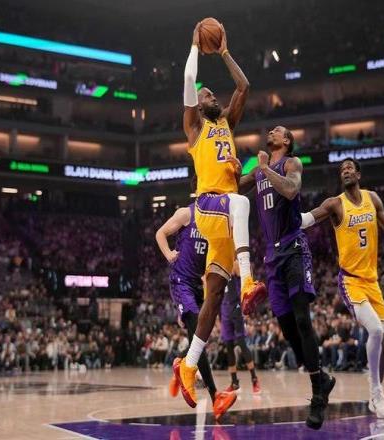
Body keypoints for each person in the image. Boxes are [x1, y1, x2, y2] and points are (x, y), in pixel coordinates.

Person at [173, 21, 267, 416]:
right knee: (240, 205)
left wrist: (225, 51)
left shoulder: (227, 124)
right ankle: (248, 282)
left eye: (212, 93)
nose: (210, 94)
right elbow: (189, 79)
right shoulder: (194, 127)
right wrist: (196, 45)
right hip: (209, 206)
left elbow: (244, 87)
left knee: (211, 299)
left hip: (226, 222)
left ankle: (189, 365)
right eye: (205, 94)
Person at [238, 126, 335, 429]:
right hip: (271, 256)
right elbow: (234, 188)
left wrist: (265, 168)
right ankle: (323, 378)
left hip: (294, 248)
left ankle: (317, 395)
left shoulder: (291, 164)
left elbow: (292, 190)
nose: (272, 131)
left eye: (278, 131)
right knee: (287, 328)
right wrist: (229, 168)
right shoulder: (258, 171)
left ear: (287, 141)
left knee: (302, 319)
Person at [300, 157, 384, 418]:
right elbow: (306, 219)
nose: (345, 171)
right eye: (342, 170)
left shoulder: (373, 198)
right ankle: (376, 393)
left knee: (382, 341)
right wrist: (285, 213)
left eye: (349, 168)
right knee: (375, 330)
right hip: (350, 280)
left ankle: (375, 395)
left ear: (358, 174)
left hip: (372, 281)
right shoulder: (335, 203)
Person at [155, 200, 234, 419]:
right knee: (199, 336)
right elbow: (160, 233)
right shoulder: (186, 213)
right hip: (181, 282)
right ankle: (215, 396)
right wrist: (168, 253)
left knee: (199, 338)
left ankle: (182, 364)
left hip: (198, 285)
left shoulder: (214, 222)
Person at [220, 261, 261, 394]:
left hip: (236, 307)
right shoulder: (216, 264)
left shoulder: (234, 263)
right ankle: (234, 383)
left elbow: (247, 269)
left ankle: (254, 379)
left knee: (242, 343)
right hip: (224, 310)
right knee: (229, 347)